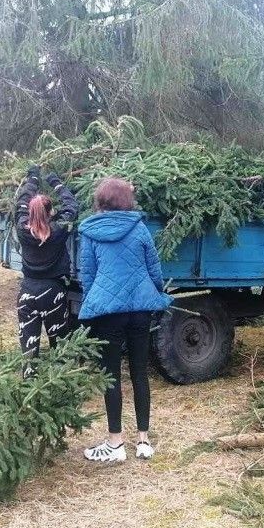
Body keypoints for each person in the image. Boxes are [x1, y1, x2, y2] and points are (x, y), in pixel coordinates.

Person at [78, 177, 173, 464]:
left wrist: (92, 302)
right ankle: (143, 441)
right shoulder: (139, 227)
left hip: (108, 312)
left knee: (111, 375)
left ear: (101, 201)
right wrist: (155, 290)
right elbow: (154, 268)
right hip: (140, 310)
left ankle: (116, 443)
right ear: (126, 200)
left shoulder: (91, 231)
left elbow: (88, 274)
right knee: (139, 371)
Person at [14, 166, 78, 369]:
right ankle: (61, 383)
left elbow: (21, 203)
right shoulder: (58, 230)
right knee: (59, 343)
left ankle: (29, 385)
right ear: (51, 212)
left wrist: (32, 179)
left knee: (29, 346)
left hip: (26, 293)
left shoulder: (23, 228)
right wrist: (55, 182)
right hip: (53, 293)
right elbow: (71, 207)